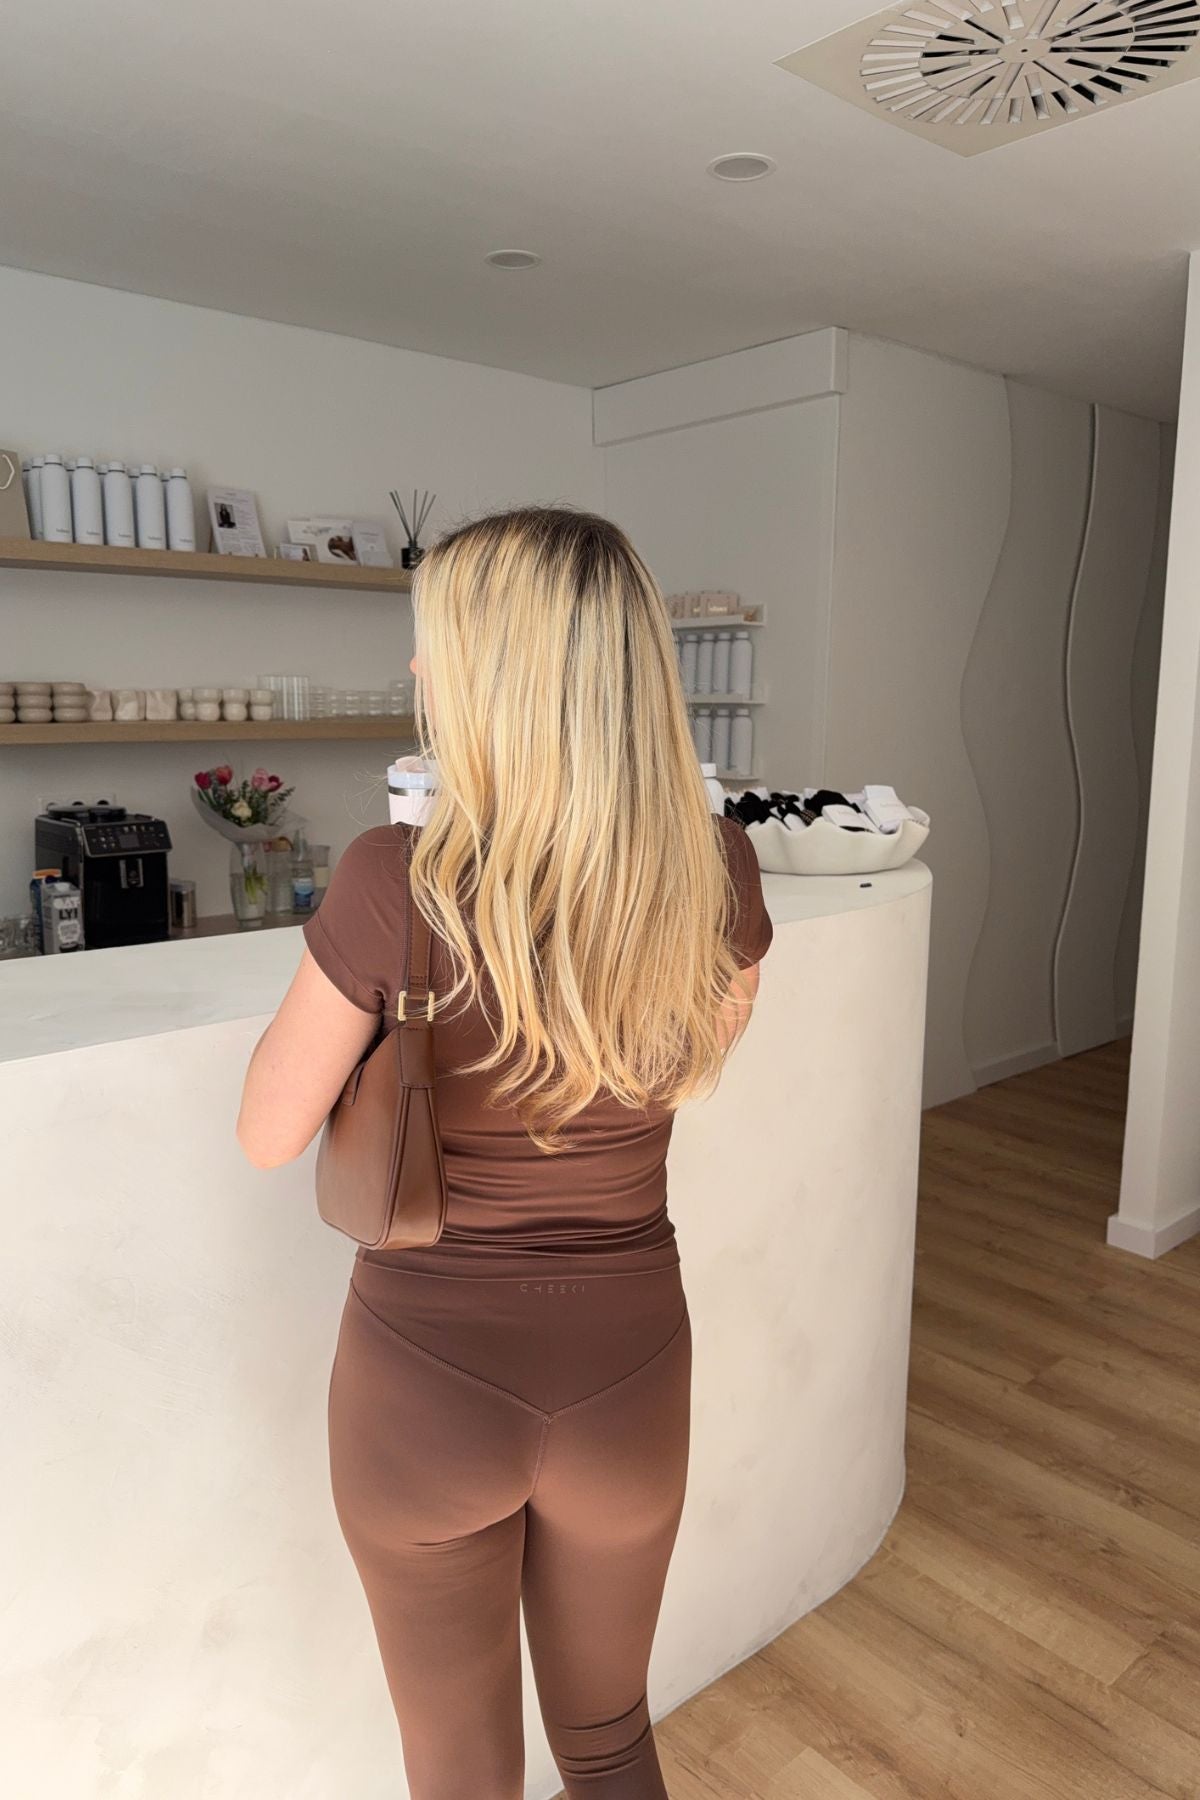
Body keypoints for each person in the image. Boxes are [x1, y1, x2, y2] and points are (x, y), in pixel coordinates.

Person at [236, 506, 773, 1799]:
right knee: (609, 1740)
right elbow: (691, 1064)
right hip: (630, 1374)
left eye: (439, 646)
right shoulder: (717, 868)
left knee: (461, 1771)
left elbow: (266, 1135)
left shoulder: (394, 881)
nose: (419, 669)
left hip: (423, 1385)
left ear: (493, 681)